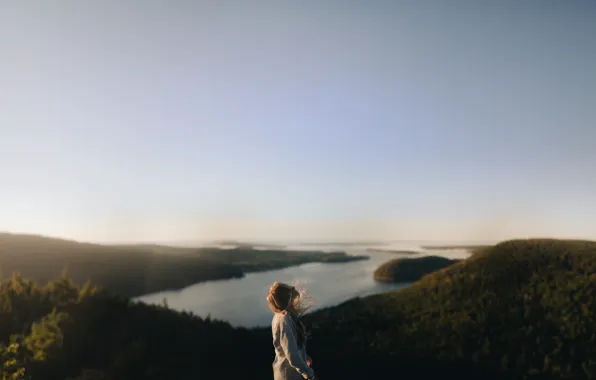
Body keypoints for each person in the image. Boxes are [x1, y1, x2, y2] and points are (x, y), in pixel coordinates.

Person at [266, 281, 317, 380]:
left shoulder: (282, 317)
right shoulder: (284, 320)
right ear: (287, 301)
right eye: (292, 298)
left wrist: (304, 357)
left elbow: (292, 349)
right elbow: (292, 356)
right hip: (289, 376)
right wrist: (309, 375)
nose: (295, 301)